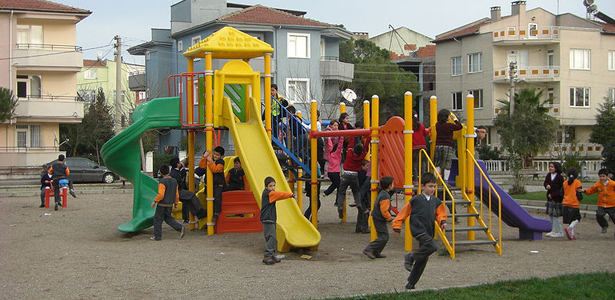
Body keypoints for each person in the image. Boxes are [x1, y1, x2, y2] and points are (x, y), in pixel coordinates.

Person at [392, 173, 447, 290]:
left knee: (423, 259)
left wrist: (442, 222)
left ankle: (411, 283)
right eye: (430, 186)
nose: (432, 189)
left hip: (429, 231)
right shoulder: (415, 200)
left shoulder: (436, 201)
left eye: (434, 186)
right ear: (422, 186)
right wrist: (397, 226)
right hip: (418, 230)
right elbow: (403, 213)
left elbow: (441, 214)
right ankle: (410, 257)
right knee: (433, 246)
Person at [260, 176, 294, 265]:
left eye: (274, 186)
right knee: (272, 237)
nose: (273, 188)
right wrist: (290, 194)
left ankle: (271, 255)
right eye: (270, 186)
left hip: (269, 218)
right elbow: (280, 195)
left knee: (271, 237)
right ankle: (267, 255)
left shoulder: (268, 193)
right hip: (268, 218)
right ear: (266, 187)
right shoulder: (269, 194)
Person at [335, 137, 370, 219]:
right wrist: (369, 137)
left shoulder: (350, 152)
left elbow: (350, 144)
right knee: (356, 191)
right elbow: (366, 147)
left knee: (341, 192)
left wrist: (353, 134)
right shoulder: (362, 155)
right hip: (355, 175)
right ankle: (358, 204)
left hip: (346, 174)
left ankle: (340, 206)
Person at [150, 164, 186, 241]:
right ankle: (180, 227)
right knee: (168, 218)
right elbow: (176, 194)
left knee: (157, 220)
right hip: (170, 204)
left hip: (162, 204)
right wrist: (176, 203)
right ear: (169, 172)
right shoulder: (174, 181)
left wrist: (155, 201)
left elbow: (161, 194)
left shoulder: (162, 182)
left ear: (161, 173)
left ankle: (157, 236)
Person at [362, 176, 395, 259]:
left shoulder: (382, 193)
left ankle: (376, 252)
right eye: (392, 184)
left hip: (377, 217)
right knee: (384, 237)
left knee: (383, 236)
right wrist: (390, 218)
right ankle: (369, 249)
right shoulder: (385, 196)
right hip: (379, 218)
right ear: (389, 186)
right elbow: (384, 211)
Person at [170, 157, 207, 222]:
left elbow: (183, 162)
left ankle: (198, 214)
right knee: (192, 195)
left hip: (177, 191)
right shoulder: (174, 173)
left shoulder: (176, 170)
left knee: (188, 202)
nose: (180, 163)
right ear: (177, 164)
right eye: (179, 163)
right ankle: (200, 211)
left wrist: (188, 156)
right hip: (178, 191)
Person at [581, 168, 615, 235]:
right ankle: (604, 226)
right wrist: (585, 191)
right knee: (599, 215)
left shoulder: (612, 184)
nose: (602, 178)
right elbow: (591, 190)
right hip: (601, 204)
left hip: (612, 204)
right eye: (600, 176)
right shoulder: (598, 184)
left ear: (607, 176)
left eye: (603, 176)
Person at [433, 109, 462, 183]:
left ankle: (434, 180)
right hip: (447, 146)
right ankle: (446, 181)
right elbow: (459, 126)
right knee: (447, 164)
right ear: (446, 117)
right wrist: (455, 119)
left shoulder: (437, 125)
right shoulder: (449, 126)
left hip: (438, 146)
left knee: (437, 164)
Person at [200, 146, 226, 222]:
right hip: (209, 184)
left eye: (217, 155)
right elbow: (202, 166)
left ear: (221, 156)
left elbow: (216, 170)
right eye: (214, 154)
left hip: (218, 184)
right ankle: (208, 212)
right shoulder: (210, 160)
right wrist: (204, 157)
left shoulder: (221, 162)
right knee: (208, 198)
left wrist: (210, 161)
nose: (215, 156)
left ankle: (216, 213)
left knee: (217, 199)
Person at [544, 162, 565, 238]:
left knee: (556, 216)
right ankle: (552, 230)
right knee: (550, 215)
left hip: (557, 199)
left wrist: (553, 195)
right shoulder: (548, 175)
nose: (550, 168)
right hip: (549, 199)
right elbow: (545, 182)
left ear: (556, 168)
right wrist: (547, 185)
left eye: (552, 167)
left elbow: (561, 190)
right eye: (550, 167)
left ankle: (560, 231)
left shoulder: (560, 177)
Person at [323, 120, 343, 199]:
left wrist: (328, 139)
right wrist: (341, 137)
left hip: (330, 172)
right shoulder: (337, 154)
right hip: (335, 172)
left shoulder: (331, 153)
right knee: (339, 185)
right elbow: (340, 146)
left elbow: (330, 145)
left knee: (336, 184)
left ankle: (326, 193)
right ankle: (336, 200)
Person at [562, 167, 583, 240]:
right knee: (577, 218)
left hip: (566, 203)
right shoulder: (577, 182)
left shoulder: (565, 183)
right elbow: (579, 194)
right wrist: (580, 199)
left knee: (570, 220)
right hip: (574, 204)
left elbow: (562, 193)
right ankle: (569, 228)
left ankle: (572, 234)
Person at [411, 111, 430, 183]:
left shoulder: (409, 125)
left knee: (415, 164)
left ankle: (415, 180)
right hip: (422, 147)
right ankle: (423, 180)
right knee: (423, 164)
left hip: (414, 147)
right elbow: (425, 133)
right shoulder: (421, 125)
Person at [355, 159, 370, 234]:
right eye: (367, 166)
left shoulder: (359, 174)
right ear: (362, 166)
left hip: (359, 195)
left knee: (361, 212)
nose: (368, 167)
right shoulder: (364, 174)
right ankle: (364, 227)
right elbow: (365, 186)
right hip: (363, 195)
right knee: (365, 212)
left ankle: (358, 227)